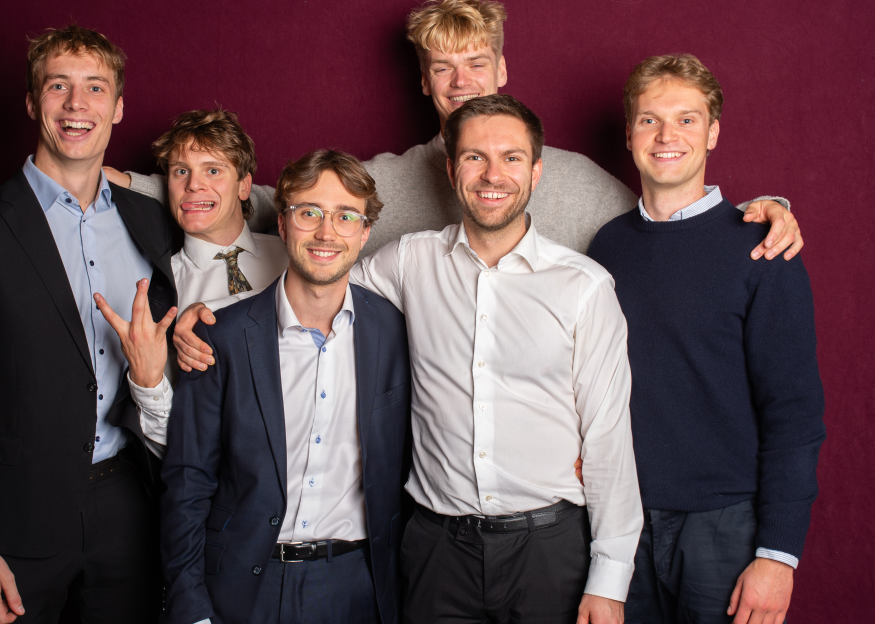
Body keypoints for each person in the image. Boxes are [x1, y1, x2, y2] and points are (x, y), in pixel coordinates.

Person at [113, 0, 801, 262]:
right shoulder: (384, 181)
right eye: (443, 68)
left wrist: (760, 214)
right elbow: (273, 203)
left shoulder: (572, 179)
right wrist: (129, 184)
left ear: (501, 69)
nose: (461, 81)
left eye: (475, 63)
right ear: (424, 81)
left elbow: (667, 221)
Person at [348, 94, 642, 624]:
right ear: (450, 169)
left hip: (550, 552)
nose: (492, 175)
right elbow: (317, 290)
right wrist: (211, 312)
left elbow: (608, 439)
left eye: (511, 158)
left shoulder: (584, 287)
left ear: (536, 172)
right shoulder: (410, 261)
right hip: (436, 550)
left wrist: (610, 581)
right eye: (474, 157)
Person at [0, 25, 176, 624]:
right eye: (59, 86)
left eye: (95, 87)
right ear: (34, 104)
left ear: (118, 107)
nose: (77, 103)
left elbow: (238, 214)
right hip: (13, 520)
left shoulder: (151, 220)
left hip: (129, 508)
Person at [587, 54, 825, 624]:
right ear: (629, 133)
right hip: (619, 521)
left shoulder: (762, 249)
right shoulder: (606, 247)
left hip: (725, 526)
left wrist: (777, 555)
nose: (667, 136)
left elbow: (794, 412)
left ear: (713, 133)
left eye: (687, 120)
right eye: (649, 120)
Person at [159, 150, 411, 624]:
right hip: (244, 585)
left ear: (365, 233)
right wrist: (190, 607)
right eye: (308, 212)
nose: (326, 232)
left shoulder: (396, 332)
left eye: (345, 216)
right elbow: (188, 480)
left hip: (358, 585)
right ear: (282, 223)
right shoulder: (219, 336)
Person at [95, 109, 287, 458]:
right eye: (181, 171)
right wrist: (147, 380)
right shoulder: (154, 290)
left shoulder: (295, 257)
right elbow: (171, 445)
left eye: (213, 170)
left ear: (245, 186)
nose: (193, 185)